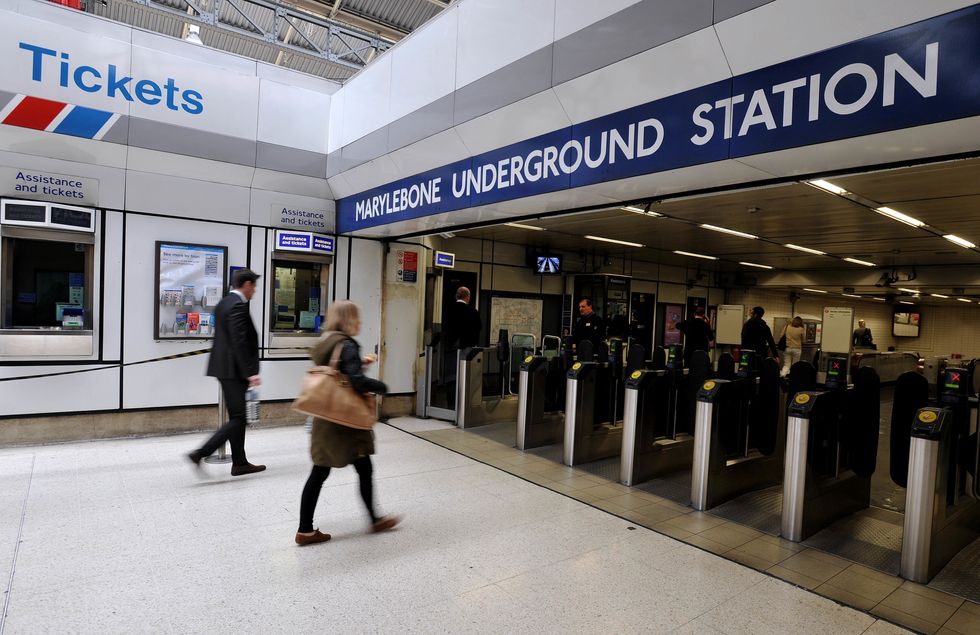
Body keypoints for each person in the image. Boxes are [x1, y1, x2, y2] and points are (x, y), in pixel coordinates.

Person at [296, 300, 400, 546]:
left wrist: (359, 363)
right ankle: (372, 520)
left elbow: (336, 371)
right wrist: (380, 386)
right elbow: (356, 382)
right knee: (362, 468)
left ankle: (307, 529)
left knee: (321, 471)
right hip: (346, 422)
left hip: (326, 417)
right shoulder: (347, 345)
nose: (360, 323)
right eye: (358, 318)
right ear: (349, 320)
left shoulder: (327, 340)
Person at [187, 269, 266, 476]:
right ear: (247, 284)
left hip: (225, 368)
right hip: (234, 370)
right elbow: (238, 341)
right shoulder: (238, 305)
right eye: (254, 286)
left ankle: (239, 462)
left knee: (237, 417)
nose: (255, 291)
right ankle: (200, 453)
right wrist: (250, 372)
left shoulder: (224, 303)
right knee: (239, 418)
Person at [442, 287, 481, 408]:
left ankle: (451, 406)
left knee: (451, 378)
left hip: (451, 350)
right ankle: (463, 407)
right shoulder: (472, 311)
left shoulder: (448, 310)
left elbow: (445, 328)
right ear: (468, 297)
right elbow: (479, 328)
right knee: (465, 376)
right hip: (467, 349)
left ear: (456, 296)